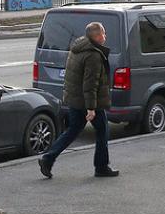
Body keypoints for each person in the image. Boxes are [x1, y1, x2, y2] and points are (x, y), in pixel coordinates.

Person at [39, 22, 119, 179]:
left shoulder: (78, 47)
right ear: (97, 36)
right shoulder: (93, 55)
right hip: (87, 101)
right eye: (103, 33)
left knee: (73, 130)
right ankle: (101, 167)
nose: (105, 36)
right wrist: (91, 108)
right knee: (102, 130)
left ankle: (48, 159)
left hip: (75, 99)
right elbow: (90, 83)